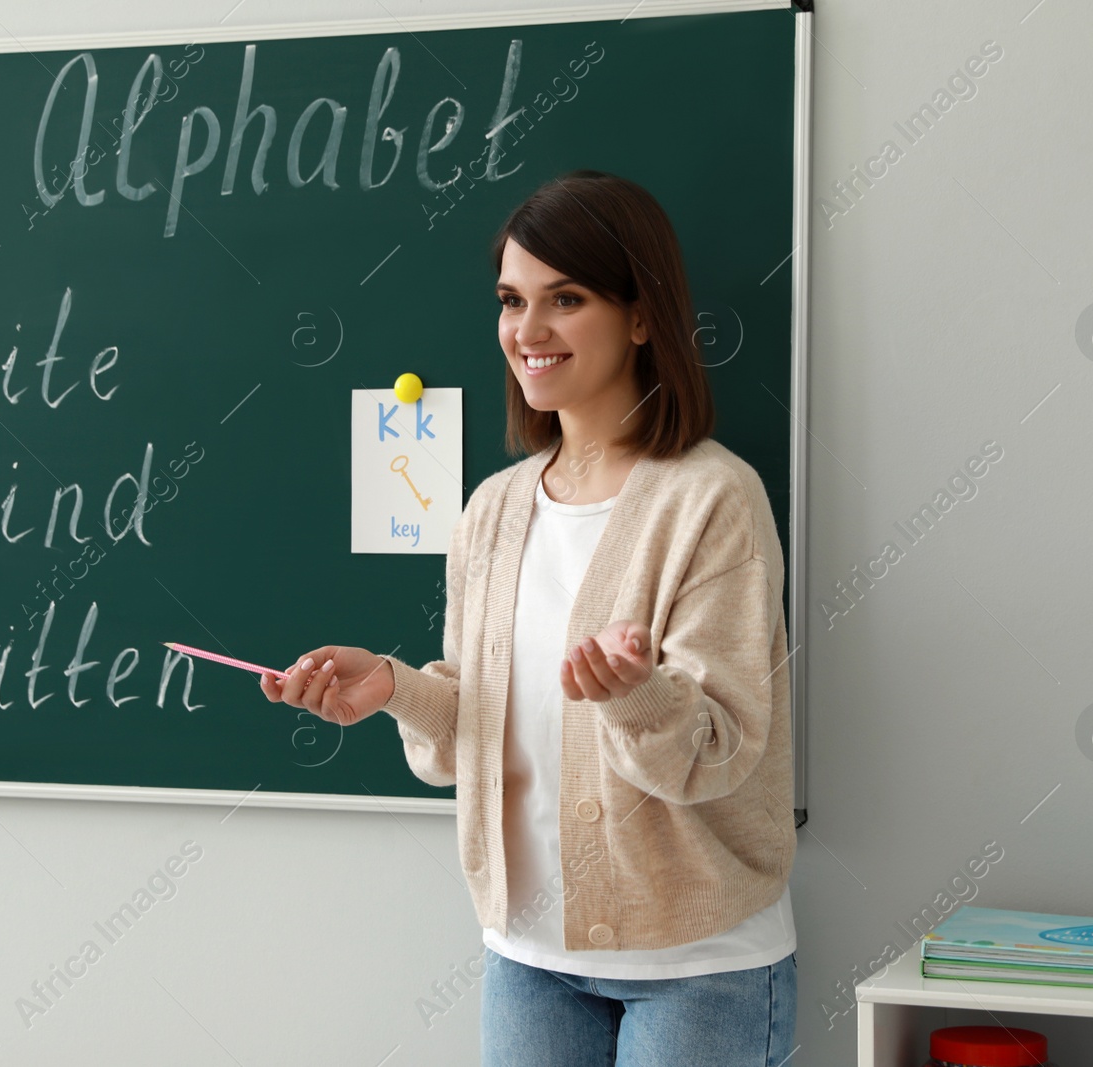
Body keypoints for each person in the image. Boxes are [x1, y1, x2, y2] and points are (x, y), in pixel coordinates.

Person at [261, 170, 797, 1066]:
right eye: (512, 300)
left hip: (699, 963)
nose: (528, 330)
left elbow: (720, 745)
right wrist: (396, 688)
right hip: (529, 955)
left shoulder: (712, 499)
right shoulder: (493, 508)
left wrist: (637, 696)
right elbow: (481, 707)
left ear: (639, 315)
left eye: (566, 298)